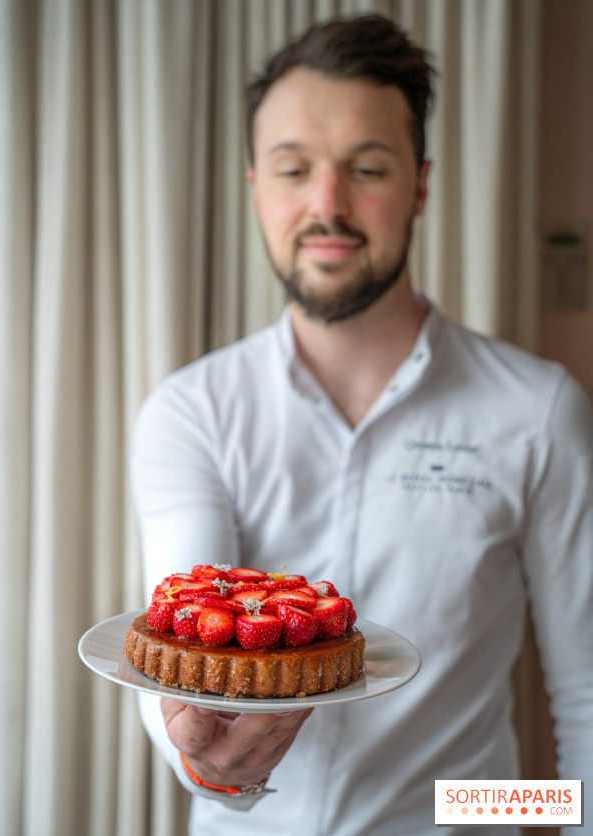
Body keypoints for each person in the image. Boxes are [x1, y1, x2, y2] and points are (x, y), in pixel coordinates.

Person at [130, 15, 593, 836]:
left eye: (367, 168)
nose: (327, 205)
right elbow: (183, 672)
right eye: (293, 169)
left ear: (419, 186)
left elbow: (586, 702)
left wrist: (488, 813)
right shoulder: (192, 411)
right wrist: (214, 772)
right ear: (256, 187)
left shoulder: (538, 411)